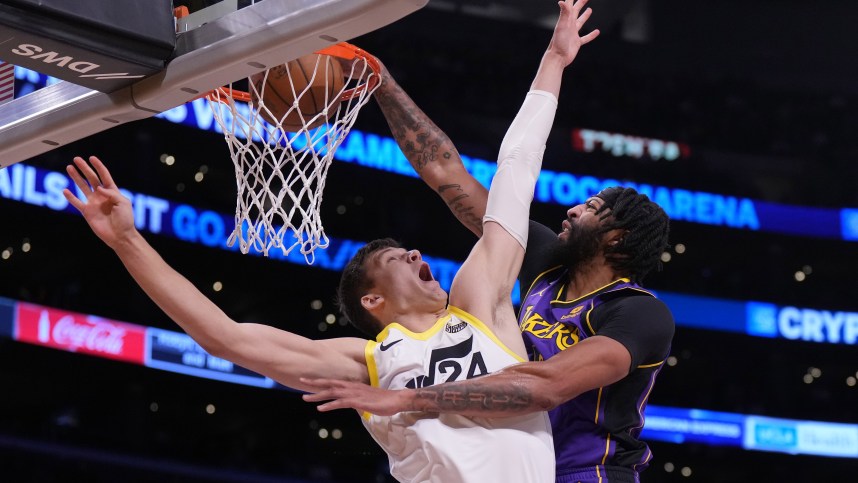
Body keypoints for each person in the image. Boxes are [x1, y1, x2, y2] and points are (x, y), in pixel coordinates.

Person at [62, 1, 598, 480]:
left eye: (408, 250)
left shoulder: (480, 301)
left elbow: (516, 173)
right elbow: (226, 338)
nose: (416, 252)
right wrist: (127, 240)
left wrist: (553, 60)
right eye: (395, 257)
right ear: (373, 301)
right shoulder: (368, 360)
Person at [301, 3, 674, 483]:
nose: (571, 209)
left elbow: (549, 385)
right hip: (512, 465)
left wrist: (412, 397)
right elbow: (447, 175)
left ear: (617, 238)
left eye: (590, 209)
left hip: (590, 473)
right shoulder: (542, 260)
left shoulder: (637, 312)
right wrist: (384, 87)